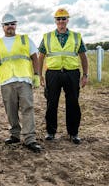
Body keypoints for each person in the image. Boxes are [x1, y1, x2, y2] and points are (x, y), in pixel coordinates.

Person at [0, 13, 42, 153]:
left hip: (24, 79)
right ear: (2, 27)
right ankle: (14, 135)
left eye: (12, 23)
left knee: (27, 108)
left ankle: (30, 139)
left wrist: (36, 75)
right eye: (7, 24)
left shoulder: (25, 39)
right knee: (10, 110)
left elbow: (34, 57)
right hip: (6, 81)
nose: (10, 26)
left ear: (16, 25)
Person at [38, 8, 89, 144]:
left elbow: (83, 57)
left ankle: (73, 133)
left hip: (72, 73)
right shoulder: (47, 37)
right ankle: (51, 132)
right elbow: (41, 57)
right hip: (53, 73)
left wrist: (85, 75)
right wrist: (40, 75)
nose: (61, 21)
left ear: (68, 20)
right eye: (58, 19)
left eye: (64, 18)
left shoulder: (76, 36)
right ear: (55, 21)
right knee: (51, 103)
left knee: (73, 103)